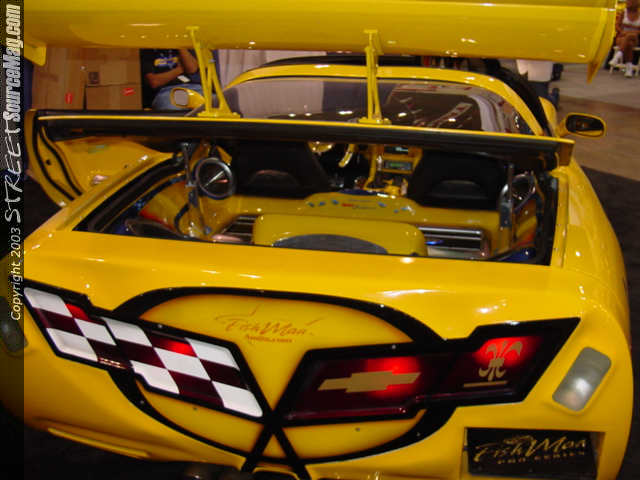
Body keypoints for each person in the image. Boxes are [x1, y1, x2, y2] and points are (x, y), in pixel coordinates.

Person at [610, 0, 640, 77]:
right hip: (622, 37)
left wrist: (631, 32)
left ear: (634, 4)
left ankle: (618, 56)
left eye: (629, 2)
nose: (627, 4)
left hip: (634, 37)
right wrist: (622, 31)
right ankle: (629, 69)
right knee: (629, 44)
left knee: (630, 36)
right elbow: (617, 25)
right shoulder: (624, 13)